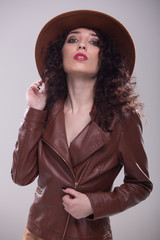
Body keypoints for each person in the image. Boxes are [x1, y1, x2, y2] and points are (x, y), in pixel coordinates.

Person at [11, 10, 153, 240]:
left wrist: (94, 204)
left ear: (105, 58)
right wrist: (34, 111)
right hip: (36, 233)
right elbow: (21, 177)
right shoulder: (43, 110)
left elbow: (141, 185)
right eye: (73, 39)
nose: (82, 46)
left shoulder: (124, 119)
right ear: (61, 54)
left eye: (94, 41)